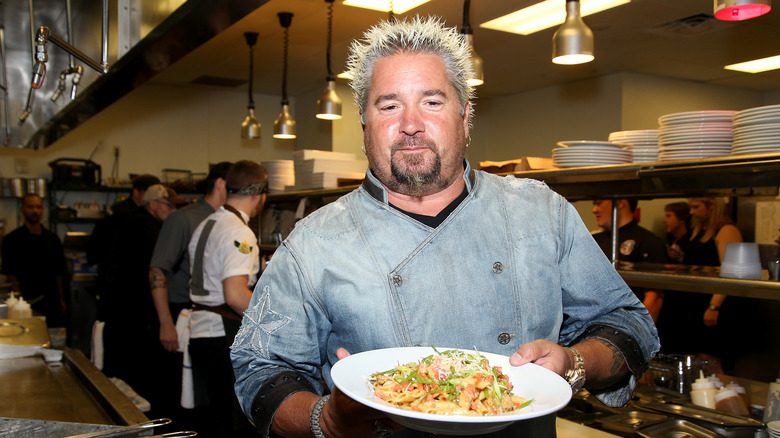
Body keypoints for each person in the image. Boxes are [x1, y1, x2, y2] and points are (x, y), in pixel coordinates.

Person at [231, 16, 659, 438]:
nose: (411, 124)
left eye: (432, 101)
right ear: (364, 123)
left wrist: (575, 361)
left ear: (465, 117)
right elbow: (261, 369)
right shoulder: (314, 242)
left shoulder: (541, 212)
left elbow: (628, 323)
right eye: (389, 105)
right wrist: (324, 419)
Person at [148, 162, 233, 426]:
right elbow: (157, 270)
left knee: (210, 399)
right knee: (184, 396)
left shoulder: (228, 220)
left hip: (215, 319)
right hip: (182, 313)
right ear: (221, 184)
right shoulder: (184, 218)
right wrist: (165, 324)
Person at [188, 160, 267, 438]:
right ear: (259, 195)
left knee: (213, 417)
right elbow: (234, 295)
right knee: (234, 423)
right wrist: (272, 319)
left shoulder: (207, 222)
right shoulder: (239, 232)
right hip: (220, 333)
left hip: (199, 330)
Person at [101, 184, 185, 417]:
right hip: (132, 311)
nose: (172, 211)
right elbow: (154, 271)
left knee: (121, 374)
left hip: (118, 307)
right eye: (169, 205)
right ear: (153, 204)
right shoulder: (147, 227)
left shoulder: (131, 220)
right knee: (133, 376)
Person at [656, 197, 745, 371]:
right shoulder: (700, 230)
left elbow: (733, 272)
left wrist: (714, 306)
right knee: (697, 361)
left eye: (696, 207)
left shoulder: (727, 230)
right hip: (695, 306)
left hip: (714, 306)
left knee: (711, 361)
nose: (692, 212)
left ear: (712, 205)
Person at [591, 198, 667, 321]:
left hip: (625, 321)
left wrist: (635, 331)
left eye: (599, 203)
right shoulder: (594, 240)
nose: (594, 210)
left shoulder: (649, 242)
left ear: (620, 203)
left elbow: (654, 298)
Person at [1, 193, 69, 327]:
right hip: (25, 301)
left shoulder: (52, 239)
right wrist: (18, 298)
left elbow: (59, 271)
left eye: (38, 207)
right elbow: (10, 272)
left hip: (51, 299)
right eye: (30, 207)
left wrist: (61, 299)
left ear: (42, 210)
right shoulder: (12, 240)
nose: (34, 211)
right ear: (22, 209)